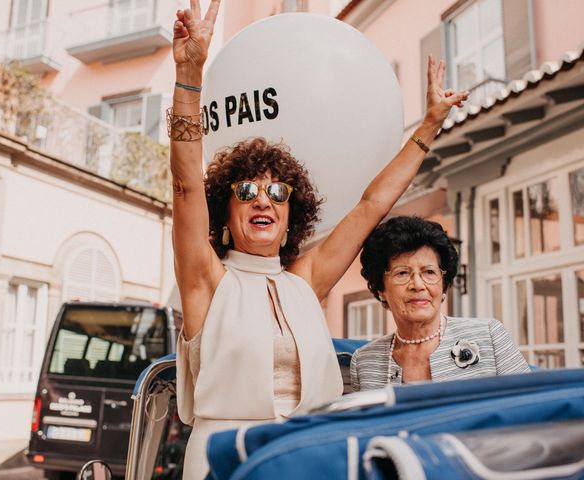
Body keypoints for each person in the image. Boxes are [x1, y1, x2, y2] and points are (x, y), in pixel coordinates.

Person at [168, 1, 468, 477]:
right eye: (247, 192)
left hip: (311, 456)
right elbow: (185, 183)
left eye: (277, 193)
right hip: (225, 461)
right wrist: (189, 74)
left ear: (292, 216)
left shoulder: (305, 281)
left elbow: (373, 203)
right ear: (226, 208)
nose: (263, 201)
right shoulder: (206, 279)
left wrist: (430, 125)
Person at [350, 216, 530, 391]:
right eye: (402, 273)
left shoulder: (489, 336)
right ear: (381, 289)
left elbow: (531, 403)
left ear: (443, 285)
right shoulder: (363, 362)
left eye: (429, 272)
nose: (418, 285)